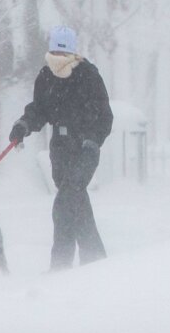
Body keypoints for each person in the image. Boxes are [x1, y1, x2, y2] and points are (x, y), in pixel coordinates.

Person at [9, 26, 113, 270]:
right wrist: (23, 125)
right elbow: (39, 110)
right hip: (60, 148)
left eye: (63, 55)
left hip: (85, 148)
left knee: (68, 196)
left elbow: (104, 116)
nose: (58, 60)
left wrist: (92, 140)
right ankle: (92, 261)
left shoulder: (88, 75)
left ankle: (64, 262)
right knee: (72, 200)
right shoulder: (46, 76)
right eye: (54, 53)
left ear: (73, 55)